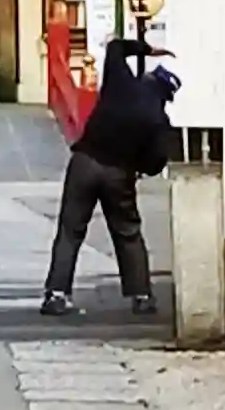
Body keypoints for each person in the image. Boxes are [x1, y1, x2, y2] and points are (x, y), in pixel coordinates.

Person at [41, 37, 181, 318]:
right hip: (120, 174)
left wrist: (147, 49)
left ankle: (57, 294)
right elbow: (156, 163)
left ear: (148, 79)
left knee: (70, 230)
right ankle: (141, 296)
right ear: (166, 97)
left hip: (85, 162)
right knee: (127, 233)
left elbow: (116, 47)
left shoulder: (121, 83)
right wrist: (138, 165)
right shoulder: (157, 120)